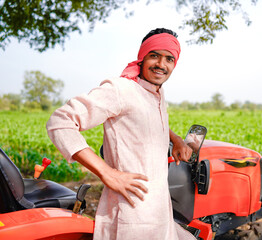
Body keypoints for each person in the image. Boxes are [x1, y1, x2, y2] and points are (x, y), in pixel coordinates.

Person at [46, 28, 195, 240]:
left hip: (160, 207)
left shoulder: (157, 93)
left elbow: (148, 119)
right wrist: (107, 173)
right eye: (154, 56)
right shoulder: (120, 90)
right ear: (142, 58)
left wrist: (176, 139)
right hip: (132, 212)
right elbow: (60, 121)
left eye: (169, 59)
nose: (161, 64)